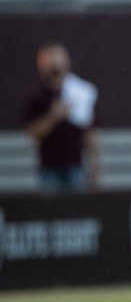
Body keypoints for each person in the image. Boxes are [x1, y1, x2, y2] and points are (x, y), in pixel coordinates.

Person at [22, 43, 98, 191]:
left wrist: (95, 166)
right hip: (49, 168)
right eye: (51, 61)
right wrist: (54, 116)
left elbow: (90, 130)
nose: (55, 65)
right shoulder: (37, 95)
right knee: (51, 211)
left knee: (78, 208)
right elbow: (32, 133)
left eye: (59, 59)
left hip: (76, 165)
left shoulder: (80, 92)